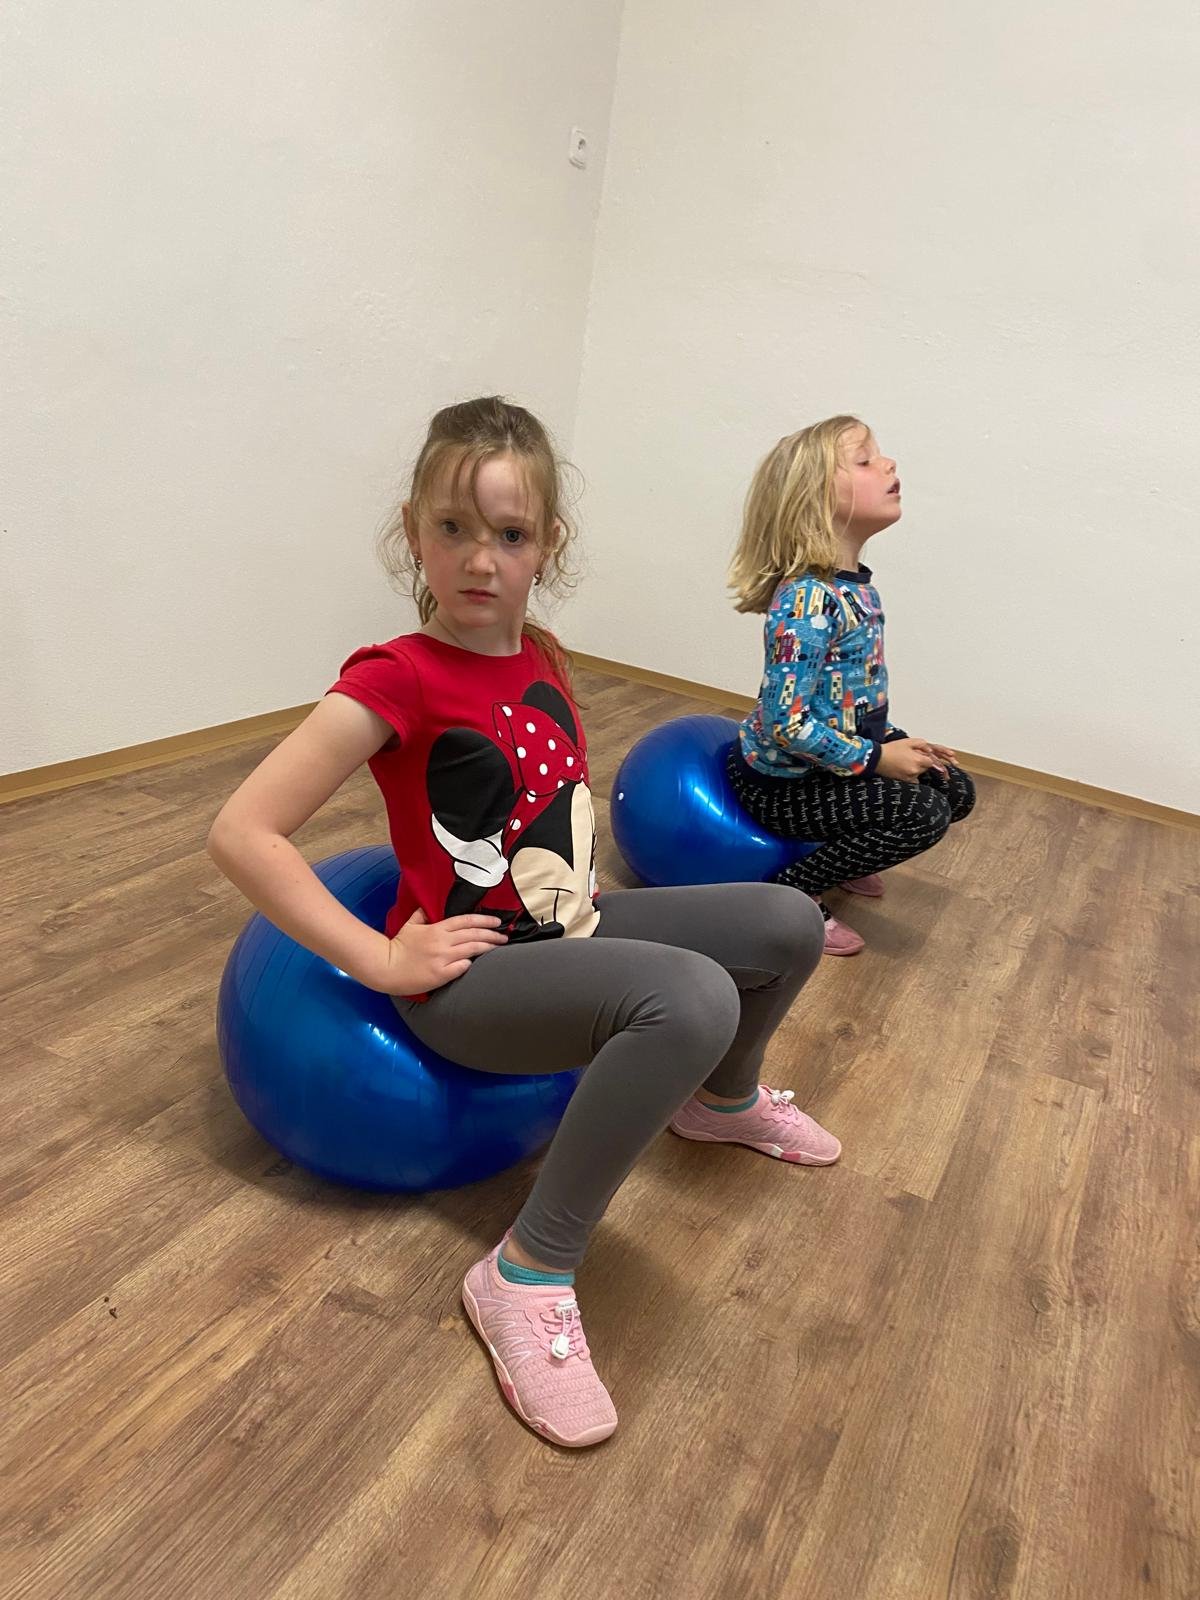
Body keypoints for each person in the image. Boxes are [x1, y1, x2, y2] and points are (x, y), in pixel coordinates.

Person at [207, 396, 838, 1449]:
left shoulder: (540, 651)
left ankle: (720, 1101)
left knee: (787, 922)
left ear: (548, 542)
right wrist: (382, 958)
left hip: (570, 926)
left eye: (509, 533)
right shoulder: (395, 678)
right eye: (453, 528)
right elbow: (242, 831)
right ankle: (527, 1270)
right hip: (474, 980)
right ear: (413, 532)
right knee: (692, 998)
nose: (480, 558)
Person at [727, 415, 976, 956]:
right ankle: (794, 892)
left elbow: (849, 697)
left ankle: (847, 852)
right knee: (925, 815)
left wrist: (893, 742)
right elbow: (786, 724)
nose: (888, 464)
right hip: (784, 787)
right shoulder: (806, 600)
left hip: (833, 760)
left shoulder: (855, 588)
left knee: (954, 789)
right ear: (815, 500)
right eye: (864, 460)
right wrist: (877, 759)